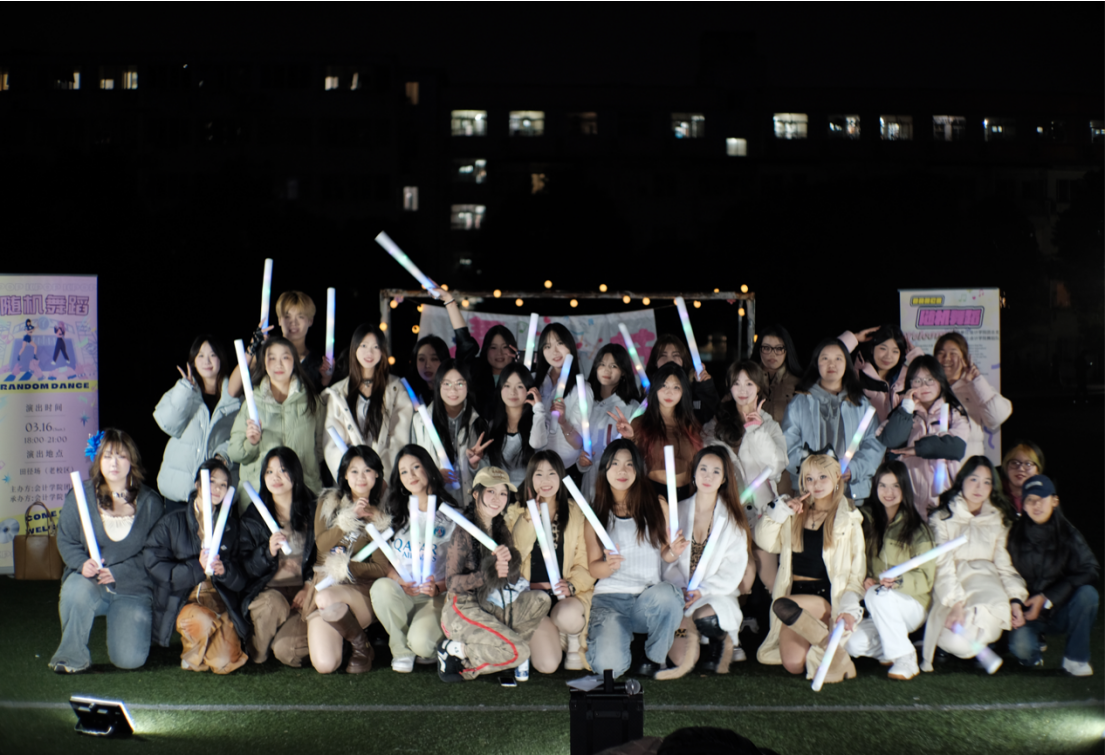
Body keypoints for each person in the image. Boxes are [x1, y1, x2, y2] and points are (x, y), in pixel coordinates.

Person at [50, 429, 165, 673]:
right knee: (76, 590)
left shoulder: (150, 503)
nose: (114, 463)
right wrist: (81, 563)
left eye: (121, 456)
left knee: (129, 660)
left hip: (132, 588)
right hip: (90, 581)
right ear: (98, 459)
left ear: (131, 461)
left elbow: (156, 554)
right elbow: (66, 539)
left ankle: (126, 623)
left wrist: (119, 572)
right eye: (108, 456)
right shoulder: (80, 496)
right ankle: (71, 657)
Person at [755, 454, 864, 684]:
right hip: (793, 595)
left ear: (837, 477)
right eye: (809, 478)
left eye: (823, 477)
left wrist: (849, 608)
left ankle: (827, 643)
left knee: (781, 604)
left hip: (822, 599)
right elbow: (765, 542)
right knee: (794, 664)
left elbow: (856, 575)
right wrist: (781, 511)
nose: (816, 484)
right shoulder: (794, 513)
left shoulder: (848, 520)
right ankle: (832, 649)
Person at [584, 440, 687, 680]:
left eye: (629, 464)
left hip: (647, 601)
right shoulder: (595, 513)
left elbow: (666, 553)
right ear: (605, 469)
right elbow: (594, 568)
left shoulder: (656, 505)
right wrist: (608, 566)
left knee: (670, 596)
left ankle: (653, 657)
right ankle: (621, 641)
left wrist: (674, 551)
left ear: (638, 469)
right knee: (609, 669)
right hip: (610, 602)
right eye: (615, 464)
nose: (622, 470)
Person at [437, 467, 551, 682]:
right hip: (463, 606)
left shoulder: (501, 528)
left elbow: (512, 579)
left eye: (503, 493)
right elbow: (452, 583)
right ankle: (458, 654)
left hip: (492, 602)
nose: (497, 499)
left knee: (541, 600)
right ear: (476, 494)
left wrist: (510, 561)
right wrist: (488, 572)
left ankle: (502, 655)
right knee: (520, 651)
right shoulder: (464, 531)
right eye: (491, 491)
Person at [920, 456, 1026, 672]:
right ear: (962, 480)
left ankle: (973, 644)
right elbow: (942, 564)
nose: (980, 488)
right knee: (954, 637)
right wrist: (956, 603)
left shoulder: (998, 519)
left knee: (982, 622)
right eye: (974, 479)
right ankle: (976, 647)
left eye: (987, 482)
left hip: (987, 586)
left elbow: (1004, 565)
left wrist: (1015, 599)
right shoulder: (942, 517)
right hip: (953, 585)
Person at [144, 459, 248, 674]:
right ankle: (193, 649)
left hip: (219, 601)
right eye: (212, 482)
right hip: (185, 599)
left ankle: (209, 643)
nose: (217, 489)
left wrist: (225, 571)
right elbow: (154, 564)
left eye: (223, 484)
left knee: (224, 662)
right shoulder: (172, 522)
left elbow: (242, 576)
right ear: (197, 484)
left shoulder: (231, 527)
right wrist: (196, 568)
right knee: (203, 621)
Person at [369, 445, 457, 672]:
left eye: (416, 467)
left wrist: (438, 587)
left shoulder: (450, 515)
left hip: (436, 597)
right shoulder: (396, 512)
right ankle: (401, 650)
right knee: (381, 587)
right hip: (403, 593)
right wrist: (397, 579)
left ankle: (422, 640)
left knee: (423, 645)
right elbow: (384, 558)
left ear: (428, 468)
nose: (411, 475)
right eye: (404, 471)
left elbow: (462, 568)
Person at [664, 447, 752, 674]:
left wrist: (702, 591)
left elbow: (733, 569)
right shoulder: (677, 512)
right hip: (681, 596)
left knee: (705, 616)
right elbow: (666, 560)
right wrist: (681, 588)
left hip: (715, 595)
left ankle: (719, 641)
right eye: (703, 469)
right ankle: (693, 636)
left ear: (724, 479)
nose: (707, 476)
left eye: (715, 471)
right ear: (694, 473)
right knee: (679, 658)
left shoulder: (732, 519)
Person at [844, 461, 935, 681]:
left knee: (878, 595)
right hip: (878, 603)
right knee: (852, 643)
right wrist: (866, 578)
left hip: (912, 603)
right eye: (883, 485)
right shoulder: (866, 521)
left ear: (905, 488)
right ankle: (890, 649)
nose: (889, 492)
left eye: (896, 486)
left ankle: (906, 658)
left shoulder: (917, 528)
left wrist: (898, 581)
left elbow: (926, 577)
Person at [507, 451, 596, 673]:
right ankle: (551, 638)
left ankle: (572, 640)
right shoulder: (515, 512)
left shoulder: (576, 512)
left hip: (565, 598)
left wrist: (572, 585)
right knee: (547, 665)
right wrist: (530, 517)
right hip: (531, 600)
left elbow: (586, 563)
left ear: (561, 476)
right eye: (538, 474)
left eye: (551, 473)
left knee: (568, 616)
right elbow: (514, 555)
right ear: (530, 478)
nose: (545, 480)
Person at [1007, 475, 1099, 676]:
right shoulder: (1012, 535)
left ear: (1054, 501)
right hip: (1026, 613)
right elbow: (1005, 573)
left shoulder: (1068, 533)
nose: (1036, 504)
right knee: (1022, 648)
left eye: (1042, 498)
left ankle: (1075, 659)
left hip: (1059, 609)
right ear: (1023, 505)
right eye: (1030, 499)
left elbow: (1091, 568)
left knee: (1088, 595)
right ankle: (1033, 652)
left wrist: (1047, 597)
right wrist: (1016, 605)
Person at [308, 446, 388, 674]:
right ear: (344, 474)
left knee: (325, 598)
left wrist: (347, 567)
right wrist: (349, 518)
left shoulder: (379, 513)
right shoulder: (329, 502)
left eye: (367, 470)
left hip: (358, 590)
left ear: (376, 475)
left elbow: (381, 569)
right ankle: (355, 640)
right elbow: (322, 546)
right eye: (354, 471)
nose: (361, 477)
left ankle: (360, 646)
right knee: (325, 665)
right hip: (326, 584)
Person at [239, 447, 318, 667]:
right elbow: (245, 567)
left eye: (283, 470)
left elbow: (323, 556)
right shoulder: (254, 517)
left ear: (295, 473)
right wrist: (267, 552)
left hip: (303, 594)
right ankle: (258, 654)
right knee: (273, 604)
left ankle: (290, 638)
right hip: (269, 594)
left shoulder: (313, 510)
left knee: (287, 652)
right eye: (269, 472)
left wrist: (309, 585)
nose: (276, 477)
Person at [781, 337, 883, 502]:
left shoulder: (860, 403)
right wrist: (813, 472)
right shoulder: (799, 403)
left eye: (838, 359)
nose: (831, 364)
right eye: (825, 358)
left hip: (850, 493)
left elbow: (874, 443)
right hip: (811, 493)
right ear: (816, 363)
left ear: (846, 363)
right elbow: (787, 445)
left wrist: (853, 469)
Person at [228, 336, 325, 500]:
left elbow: (320, 449)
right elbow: (234, 453)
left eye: (285, 357)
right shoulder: (252, 402)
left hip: (303, 493)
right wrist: (251, 443)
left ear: (294, 361)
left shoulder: (312, 401)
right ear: (264, 363)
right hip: (260, 496)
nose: (278, 364)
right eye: (272, 358)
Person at [154, 335, 241, 506]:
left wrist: (223, 455)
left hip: (216, 493)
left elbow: (240, 438)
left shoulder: (235, 398)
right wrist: (185, 390)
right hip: (179, 490)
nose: (206, 361)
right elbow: (168, 424)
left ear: (221, 358)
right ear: (193, 360)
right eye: (200, 355)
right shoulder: (182, 390)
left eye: (212, 355)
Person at [877, 356, 970, 514]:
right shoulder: (903, 413)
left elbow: (957, 447)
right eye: (917, 381)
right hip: (908, 495)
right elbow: (891, 440)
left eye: (930, 379)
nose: (924, 386)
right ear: (910, 384)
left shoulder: (954, 414)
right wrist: (907, 408)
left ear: (940, 380)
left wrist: (917, 449)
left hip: (945, 496)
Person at [322, 324, 412, 482]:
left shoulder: (396, 388)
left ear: (383, 351)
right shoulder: (338, 392)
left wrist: (383, 478)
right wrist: (352, 478)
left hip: (385, 481)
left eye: (375, 347)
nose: (369, 353)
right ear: (354, 348)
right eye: (363, 346)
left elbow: (399, 438)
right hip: (353, 481)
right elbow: (332, 444)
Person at [610, 363, 704, 503]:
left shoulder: (690, 424)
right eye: (664, 385)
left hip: (687, 495)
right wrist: (630, 438)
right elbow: (629, 461)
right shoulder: (640, 423)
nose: (669, 392)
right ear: (655, 388)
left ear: (683, 391)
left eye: (676, 387)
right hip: (653, 493)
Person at [411, 359, 490, 498]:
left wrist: (475, 465)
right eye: (447, 384)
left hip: (469, 501)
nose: (453, 390)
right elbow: (412, 462)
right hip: (434, 500)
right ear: (438, 385)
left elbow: (488, 474)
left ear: (468, 386)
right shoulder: (420, 421)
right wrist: (434, 474)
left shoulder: (478, 422)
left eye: (459, 383)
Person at [935, 332, 1012, 460]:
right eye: (941, 353)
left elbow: (996, 418)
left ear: (965, 359)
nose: (946, 358)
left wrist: (977, 382)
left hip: (969, 466)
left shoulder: (975, 388)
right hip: (935, 467)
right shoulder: (929, 390)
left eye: (953, 353)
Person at [582, 343, 642, 500]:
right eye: (602, 364)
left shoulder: (631, 408)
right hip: (589, 482)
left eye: (613, 366)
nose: (606, 370)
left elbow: (640, 452)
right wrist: (580, 461)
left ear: (623, 371)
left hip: (619, 484)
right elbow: (578, 444)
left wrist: (631, 438)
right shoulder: (586, 403)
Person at [533, 323, 592, 481]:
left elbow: (579, 443)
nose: (554, 351)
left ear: (570, 346)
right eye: (547, 346)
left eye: (560, 343)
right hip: (535, 467)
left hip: (565, 469)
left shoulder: (582, 389)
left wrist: (563, 422)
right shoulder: (535, 383)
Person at [838, 325, 923, 423]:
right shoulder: (856, 375)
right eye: (883, 348)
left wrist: (916, 356)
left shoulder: (909, 378)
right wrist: (854, 338)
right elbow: (829, 358)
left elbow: (930, 381)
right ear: (872, 349)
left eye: (895, 351)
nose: (888, 356)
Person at [486, 362, 549, 488]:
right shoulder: (491, 426)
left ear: (529, 390)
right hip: (498, 494)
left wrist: (538, 409)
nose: (513, 392)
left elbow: (537, 444)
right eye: (507, 386)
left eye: (519, 386)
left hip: (528, 493)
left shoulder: (538, 421)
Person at [645, 334, 720, 425]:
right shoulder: (648, 388)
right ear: (655, 362)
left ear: (683, 360)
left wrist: (705, 386)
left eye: (675, 355)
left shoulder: (695, 386)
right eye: (663, 356)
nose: (670, 360)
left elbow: (712, 413)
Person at [754, 324, 802, 426]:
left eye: (779, 348)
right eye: (766, 348)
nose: (772, 354)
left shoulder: (798, 384)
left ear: (787, 350)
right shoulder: (747, 379)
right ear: (759, 349)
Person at [472, 324, 519, 420]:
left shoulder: (522, 376)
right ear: (486, 350)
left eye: (505, 347)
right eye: (493, 347)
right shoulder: (475, 375)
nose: (499, 353)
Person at [1000, 441, 1045, 513]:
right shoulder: (994, 493)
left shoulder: (1044, 497)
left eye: (1028, 464)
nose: (1020, 468)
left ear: (1038, 470)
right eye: (1014, 462)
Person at [406, 335, 449, 407]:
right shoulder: (408, 393)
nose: (427, 365)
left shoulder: (453, 391)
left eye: (434, 359)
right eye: (421, 359)